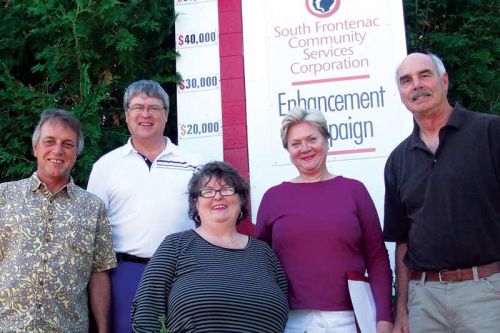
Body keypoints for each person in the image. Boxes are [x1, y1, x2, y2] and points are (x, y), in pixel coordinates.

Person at [384, 52, 500, 332]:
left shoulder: (490, 132)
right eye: (406, 80)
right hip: (425, 300)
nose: (416, 85)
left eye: (425, 75)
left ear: (444, 81)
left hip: (487, 294)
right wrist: (402, 309)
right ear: (400, 93)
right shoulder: (398, 160)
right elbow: (403, 243)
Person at [256, 108, 393, 333]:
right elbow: (260, 263)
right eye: (296, 143)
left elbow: (377, 257)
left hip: (352, 318)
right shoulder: (274, 197)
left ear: (327, 141)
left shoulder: (354, 191)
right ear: (288, 151)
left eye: (312, 139)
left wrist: (384, 317)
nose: (305, 148)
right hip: (292, 321)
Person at [87, 80, 203, 332]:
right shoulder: (106, 167)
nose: (146, 114)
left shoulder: (195, 165)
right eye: (138, 107)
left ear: (166, 114)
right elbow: (93, 235)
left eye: (154, 107)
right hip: (126, 275)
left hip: (182, 274)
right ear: (127, 114)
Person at [131, 161, 288, 332]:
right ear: (196, 203)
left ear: (241, 199)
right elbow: (146, 312)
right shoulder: (175, 246)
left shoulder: (264, 253)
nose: (218, 196)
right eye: (207, 192)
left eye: (227, 189)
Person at [0, 109, 116, 332]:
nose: (57, 150)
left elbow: (99, 273)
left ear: (76, 152)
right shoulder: (4, 197)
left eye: (67, 144)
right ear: (36, 148)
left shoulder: (94, 208)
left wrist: (103, 328)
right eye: (49, 141)